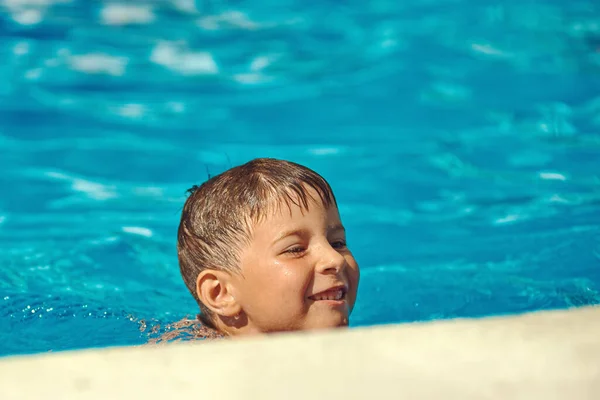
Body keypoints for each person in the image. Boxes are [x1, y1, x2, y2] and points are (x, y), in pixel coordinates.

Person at [175, 158, 360, 338]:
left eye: (338, 243)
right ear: (221, 293)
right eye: (295, 249)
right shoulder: (181, 364)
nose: (335, 259)